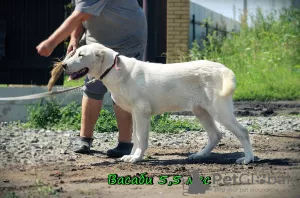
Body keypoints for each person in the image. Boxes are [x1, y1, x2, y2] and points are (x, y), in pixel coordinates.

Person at [36, 0, 147, 157]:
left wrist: (51, 43)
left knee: (120, 88)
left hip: (127, 39)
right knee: (92, 86)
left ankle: (125, 143)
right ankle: (84, 139)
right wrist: (74, 39)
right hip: (97, 40)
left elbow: (79, 14)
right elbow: (82, 14)